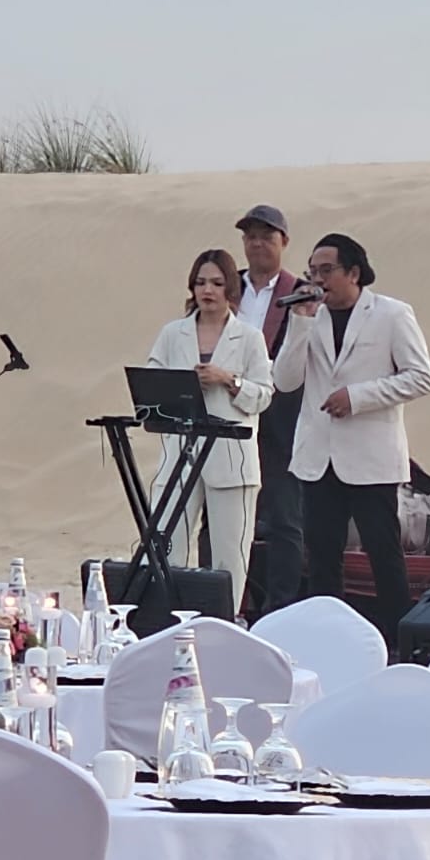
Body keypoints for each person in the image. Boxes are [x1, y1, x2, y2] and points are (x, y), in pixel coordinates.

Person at [274, 233, 430, 645]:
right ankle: (327, 642)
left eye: (326, 270)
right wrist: (300, 323)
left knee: (384, 555)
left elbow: (421, 377)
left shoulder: (392, 315)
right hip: (318, 457)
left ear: (354, 273)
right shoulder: (309, 317)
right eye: (312, 271)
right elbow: (285, 380)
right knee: (322, 559)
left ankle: (398, 643)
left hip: (370, 458)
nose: (317, 279)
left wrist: (358, 397)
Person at [145, 248, 273, 612]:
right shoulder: (173, 333)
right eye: (201, 283)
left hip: (231, 459)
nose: (208, 290)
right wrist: (180, 386)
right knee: (168, 543)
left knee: (231, 553)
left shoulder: (248, 337)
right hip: (180, 454)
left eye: (216, 283)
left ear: (229, 288)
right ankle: (166, 615)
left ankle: (225, 619)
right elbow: (151, 382)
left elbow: (264, 395)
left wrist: (228, 380)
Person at [235, 204, 306, 614]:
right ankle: (225, 600)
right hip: (230, 409)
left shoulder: (299, 291)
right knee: (224, 512)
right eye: (251, 236)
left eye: (266, 236)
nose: (257, 243)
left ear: (284, 242)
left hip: (282, 415)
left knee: (283, 516)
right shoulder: (227, 286)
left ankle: (280, 608)